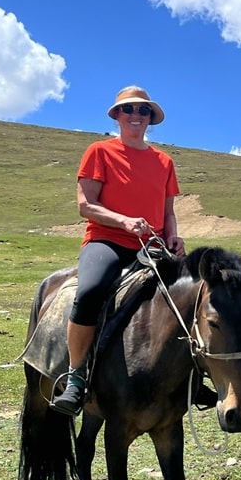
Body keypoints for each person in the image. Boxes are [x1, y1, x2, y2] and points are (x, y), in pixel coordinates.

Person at [50, 86, 186, 416]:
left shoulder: (164, 161)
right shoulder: (99, 152)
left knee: (192, 295)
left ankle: (191, 377)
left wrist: (174, 237)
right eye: (129, 110)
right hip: (107, 241)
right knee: (92, 290)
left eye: (143, 111)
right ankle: (76, 377)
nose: (136, 116)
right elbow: (86, 206)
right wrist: (124, 222)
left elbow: (167, 211)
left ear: (150, 118)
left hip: (151, 246)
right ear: (117, 115)